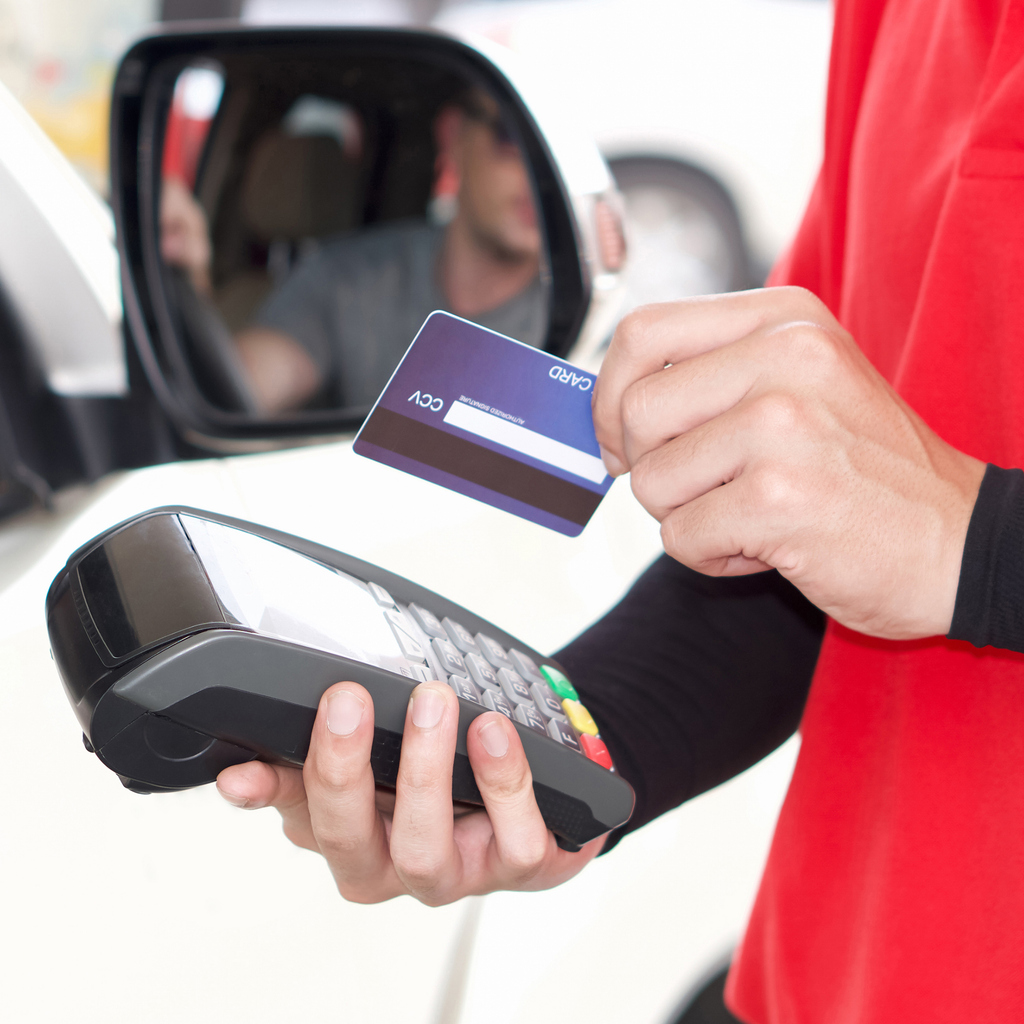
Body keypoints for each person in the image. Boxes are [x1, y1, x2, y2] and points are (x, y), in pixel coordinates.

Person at [216, 0, 1024, 1019]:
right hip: (819, 974)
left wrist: (979, 547)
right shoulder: (893, 15)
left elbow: (929, 541)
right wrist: (549, 758)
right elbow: (816, 546)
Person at [162, 90, 545, 413]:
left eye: (555, 151)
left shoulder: (589, 314)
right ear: (453, 133)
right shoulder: (348, 278)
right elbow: (245, 385)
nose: (540, 171)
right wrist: (185, 272)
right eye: (513, 135)